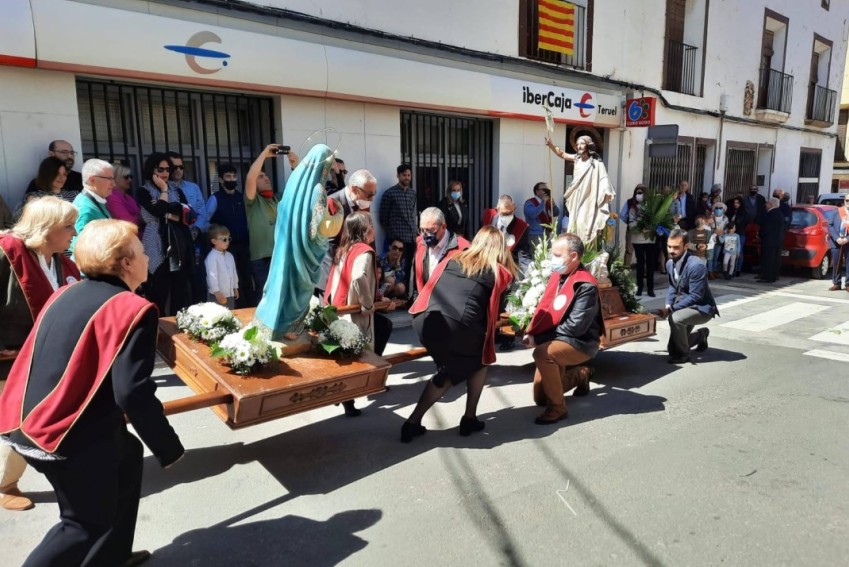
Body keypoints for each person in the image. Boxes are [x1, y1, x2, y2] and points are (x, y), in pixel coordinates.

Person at [0, 219, 183, 567]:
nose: (147, 257)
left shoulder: (66, 292)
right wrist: (168, 447)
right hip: (62, 434)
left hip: (22, 419)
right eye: (142, 251)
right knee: (83, 523)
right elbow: (131, 392)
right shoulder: (133, 309)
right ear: (126, 263)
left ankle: (109, 558)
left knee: (127, 457)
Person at [0, 197, 81, 512]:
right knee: (16, 422)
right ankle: (5, 483)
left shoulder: (60, 259)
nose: (75, 232)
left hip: (45, 356)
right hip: (10, 356)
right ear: (46, 229)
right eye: (68, 226)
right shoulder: (6, 252)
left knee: (30, 420)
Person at [401, 226, 517, 442]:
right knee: (465, 367)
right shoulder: (498, 271)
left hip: (424, 319)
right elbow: (494, 311)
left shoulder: (454, 258)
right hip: (457, 324)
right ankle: (424, 421)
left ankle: (430, 421)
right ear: (501, 248)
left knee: (463, 367)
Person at [253, 144, 343, 339]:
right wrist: (339, 214)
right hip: (304, 251)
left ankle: (268, 321)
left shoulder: (294, 181)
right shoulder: (318, 190)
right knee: (298, 290)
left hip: (285, 244)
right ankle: (288, 327)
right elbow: (316, 232)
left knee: (280, 280)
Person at [522, 233, 603, 424]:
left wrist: (540, 339)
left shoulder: (586, 284)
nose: (552, 259)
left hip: (580, 342)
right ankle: (580, 375)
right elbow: (545, 307)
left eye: (557, 255)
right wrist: (532, 330)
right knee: (540, 398)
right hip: (557, 337)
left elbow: (575, 328)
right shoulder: (558, 276)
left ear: (574, 256)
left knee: (542, 354)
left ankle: (558, 409)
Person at [324, 212, 395, 417]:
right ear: (364, 229)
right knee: (357, 352)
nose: (374, 229)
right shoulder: (364, 251)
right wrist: (367, 304)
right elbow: (357, 277)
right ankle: (353, 392)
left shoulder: (345, 249)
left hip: (339, 308)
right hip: (352, 312)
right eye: (371, 225)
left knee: (382, 328)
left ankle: (372, 378)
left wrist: (378, 300)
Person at [137, 153, 194, 315]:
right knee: (158, 291)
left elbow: (188, 215)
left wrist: (165, 210)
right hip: (155, 241)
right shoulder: (143, 191)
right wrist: (164, 192)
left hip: (177, 241)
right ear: (151, 170)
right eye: (160, 169)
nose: (165, 173)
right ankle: (159, 330)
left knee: (179, 290)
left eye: (167, 169)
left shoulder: (176, 189)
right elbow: (159, 211)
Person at [245, 144, 298, 301]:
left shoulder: (278, 199)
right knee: (264, 298)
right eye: (261, 177)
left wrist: (295, 166)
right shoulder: (252, 202)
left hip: (281, 256)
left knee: (283, 297)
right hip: (261, 259)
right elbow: (250, 178)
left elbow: (297, 188)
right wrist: (264, 155)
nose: (266, 177)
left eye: (266, 176)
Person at [659, 228, 718, 364]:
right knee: (672, 348)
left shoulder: (696, 265)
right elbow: (673, 286)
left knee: (675, 318)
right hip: (686, 305)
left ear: (686, 246)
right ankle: (701, 335)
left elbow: (696, 296)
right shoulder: (669, 263)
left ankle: (683, 355)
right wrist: (668, 303)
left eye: (676, 247)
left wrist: (671, 309)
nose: (671, 251)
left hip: (702, 308)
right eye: (669, 246)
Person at [545, 135, 615, 247]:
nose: (579, 146)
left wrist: (607, 191)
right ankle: (576, 247)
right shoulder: (576, 159)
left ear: (588, 145)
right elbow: (562, 154)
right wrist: (551, 145)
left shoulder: (596, 163)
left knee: (586, 221)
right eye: (577, 144)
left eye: (582, 143)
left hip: (589, 198)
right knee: (575, 221)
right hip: (577, 197)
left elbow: (604, 179)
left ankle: (588, 247)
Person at [318, 168, 378, 293]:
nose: (371, 199)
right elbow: (329, 243)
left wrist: (372, 262)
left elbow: (368, 236)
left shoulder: (362, 203)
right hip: (335, 268)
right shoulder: (332, 203)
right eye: (369, 194)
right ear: (354, 189)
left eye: (374, 194)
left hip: (356, 265)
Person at [167, 152, 211, 303]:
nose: (178, 170)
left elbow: (202, 213)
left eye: (181, 167)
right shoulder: (163, 189)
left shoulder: (193, 188)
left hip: (195, 240)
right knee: (179, 287)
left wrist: (195, 230)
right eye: (174, 167)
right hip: (174, 243)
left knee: (199, 281)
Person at [207, 164, 252, 306]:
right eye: (228, 176)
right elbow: (205, 220)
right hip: (226, 246)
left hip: (244, 245)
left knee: (245, 278)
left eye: (234, 176)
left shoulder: (241, 197)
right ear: (221, 179)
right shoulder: (215, 199)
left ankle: (249, 309)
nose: (232, 179)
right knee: (229, 278)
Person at [410, 207, 470, 299]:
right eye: (422, 230)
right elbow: (416, 281)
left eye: (430, 230)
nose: (425, 235)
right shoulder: (420, 244)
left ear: (443, 227)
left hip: (449, 307)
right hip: (425, 306)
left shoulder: (461, 248)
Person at [378, 164, 418, 294]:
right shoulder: (390, 193)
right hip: (397, 241)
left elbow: (412, 214)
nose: (407, 178)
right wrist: (393, 233)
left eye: (408, 175)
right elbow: (383, 217)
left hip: (411, 239)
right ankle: (389, 295)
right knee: (392, 268)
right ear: (398, 176)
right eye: (404, 175)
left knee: (408, 268)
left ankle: (406, 295)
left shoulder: (412, 193)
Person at [70, 159, 115, 256]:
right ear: (92, 180)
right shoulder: (85, 208)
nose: (113, 184)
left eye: (113, 179)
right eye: (109, 179)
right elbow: (80, 247)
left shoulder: (95, 202)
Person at [482, 195, 531, 276]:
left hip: (507, 267)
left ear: (514, 209)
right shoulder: (488, 216)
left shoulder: (521, 226)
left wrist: (528, 274)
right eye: (504, 214)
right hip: (487, 262)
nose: (507, 216)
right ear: (497, 210)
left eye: (510, 213)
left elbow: (524, 254)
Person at [627, 186, 657, 297]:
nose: (639, 195)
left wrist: (650, 228)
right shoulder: (632, 207)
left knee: (650, 264)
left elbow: (656, 221)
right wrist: (639, 226)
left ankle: (650, 289)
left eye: (641, 193)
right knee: (640, 264)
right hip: (638, 239)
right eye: (637, 193)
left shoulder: (651, 207)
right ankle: (639, 287)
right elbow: (630, 223)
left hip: (650, 239)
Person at [205, 224, 239, 308]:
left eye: (228, 239)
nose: (227, 241)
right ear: (214, 241)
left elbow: (234, 273)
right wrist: (217, 292)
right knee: (217, 317)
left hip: (230, 294)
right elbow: (212, 276)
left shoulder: (230, 256)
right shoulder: (211, 257)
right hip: (216, 295)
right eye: (224, 239)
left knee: (229, 316)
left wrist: (235, 287)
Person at [106, 163, 143, 231]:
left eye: (131, 177)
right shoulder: (111, 197)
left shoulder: (129, 198)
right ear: (115, 178)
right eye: (126, 177)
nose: (129, 179)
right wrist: (144, 218)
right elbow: (125, 221)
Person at [523, 182, 560, 250]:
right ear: (537, 192)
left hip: (547, 234)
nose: (546, 191)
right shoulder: (530, 202)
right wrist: (543, 202)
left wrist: (553, 204)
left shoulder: (547, 202)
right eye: (544, 189)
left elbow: (556, 213)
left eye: (547, 189)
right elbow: (532, 215)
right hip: (536, 234)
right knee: (538, 257)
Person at [757, 197, 784, 283]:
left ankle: (768, 277)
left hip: (770, 241)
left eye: (767, 203)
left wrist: (760, 234)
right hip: (777, 240)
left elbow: (767, 227)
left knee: (769, 259)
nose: (765, 205)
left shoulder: (771, 214)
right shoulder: (779, 213)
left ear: (771, 204)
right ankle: (774, 275)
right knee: (775, 259)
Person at [827, 194, 849, 291]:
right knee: (836, 262)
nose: (848, 202)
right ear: (844, 201)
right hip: (836, 241)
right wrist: (836, 238)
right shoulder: (837, 211)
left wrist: (847, 239)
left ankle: (848, 284)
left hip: (847, 241)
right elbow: (830, 225)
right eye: (847, 200)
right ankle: (836, 283)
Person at [706, 201, 728, 279]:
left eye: (720, 208)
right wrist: (714, 231)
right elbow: (706, 227)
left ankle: (714, 270)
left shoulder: (725, 218)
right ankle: (710, 271)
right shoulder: (711, 217)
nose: (718, 210)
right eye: (716, 208)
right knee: (710, 256)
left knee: (716, 256)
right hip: (711, 238)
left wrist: (722, 232)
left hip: (720, 238)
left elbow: (727, 227)